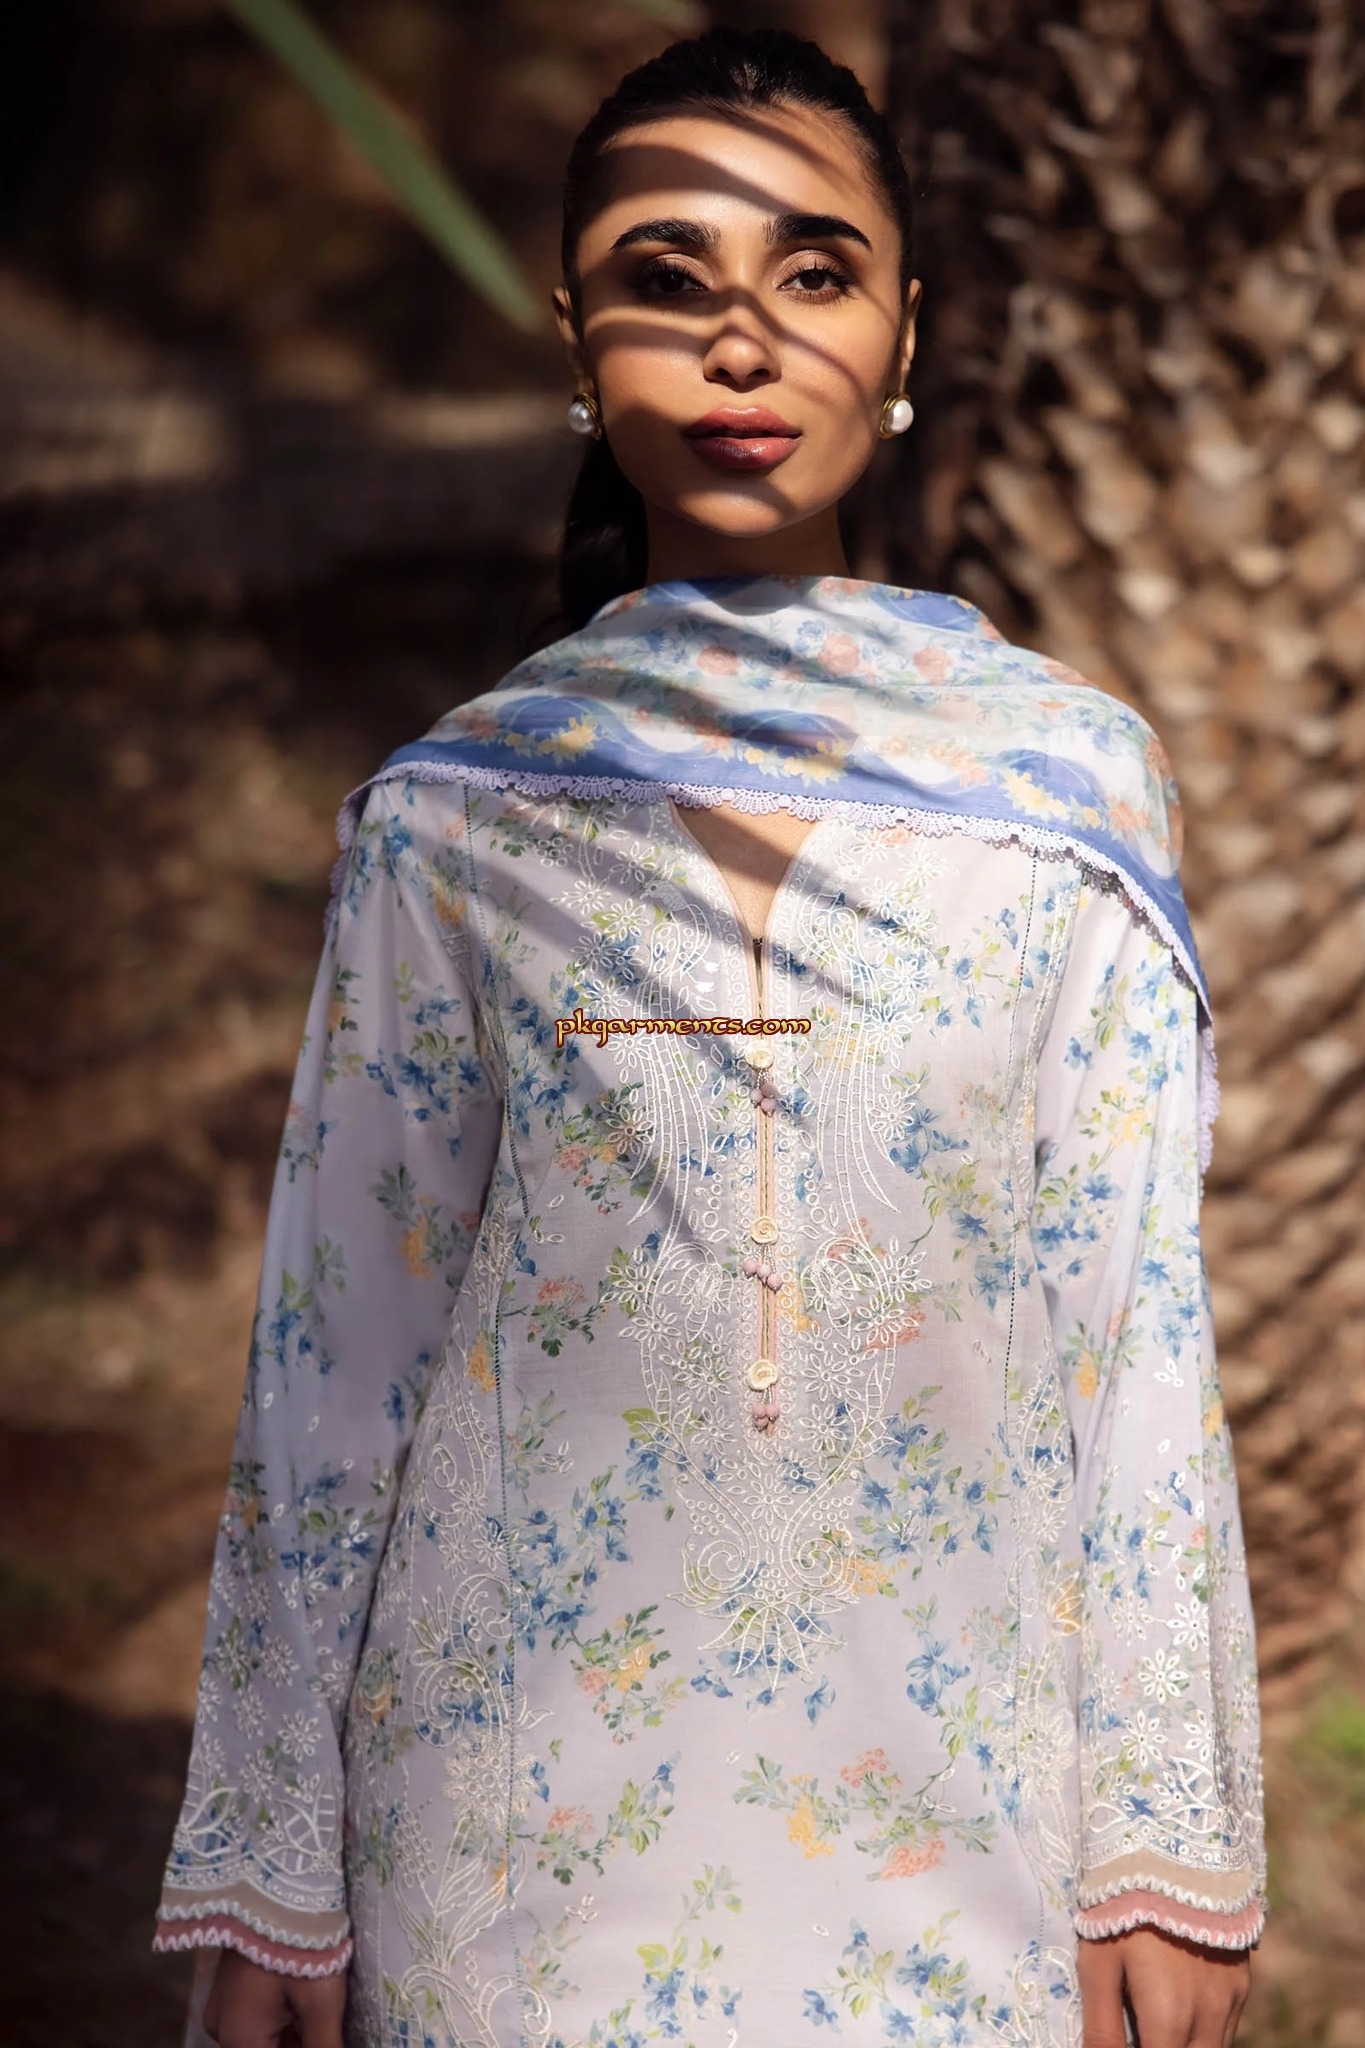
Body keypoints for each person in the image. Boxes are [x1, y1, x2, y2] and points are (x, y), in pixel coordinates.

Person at [154, 27, 1264, 2048]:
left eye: (813, 272)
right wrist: (276, 1857)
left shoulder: (1062, 794)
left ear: (902, 325)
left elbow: (1131, 1333)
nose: (743, 342)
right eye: (667, 280)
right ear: (579, 346)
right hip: (502, 1835)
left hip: (965, 1808)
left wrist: (1158, 1838)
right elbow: (337, 1354)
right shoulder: (463, 816)